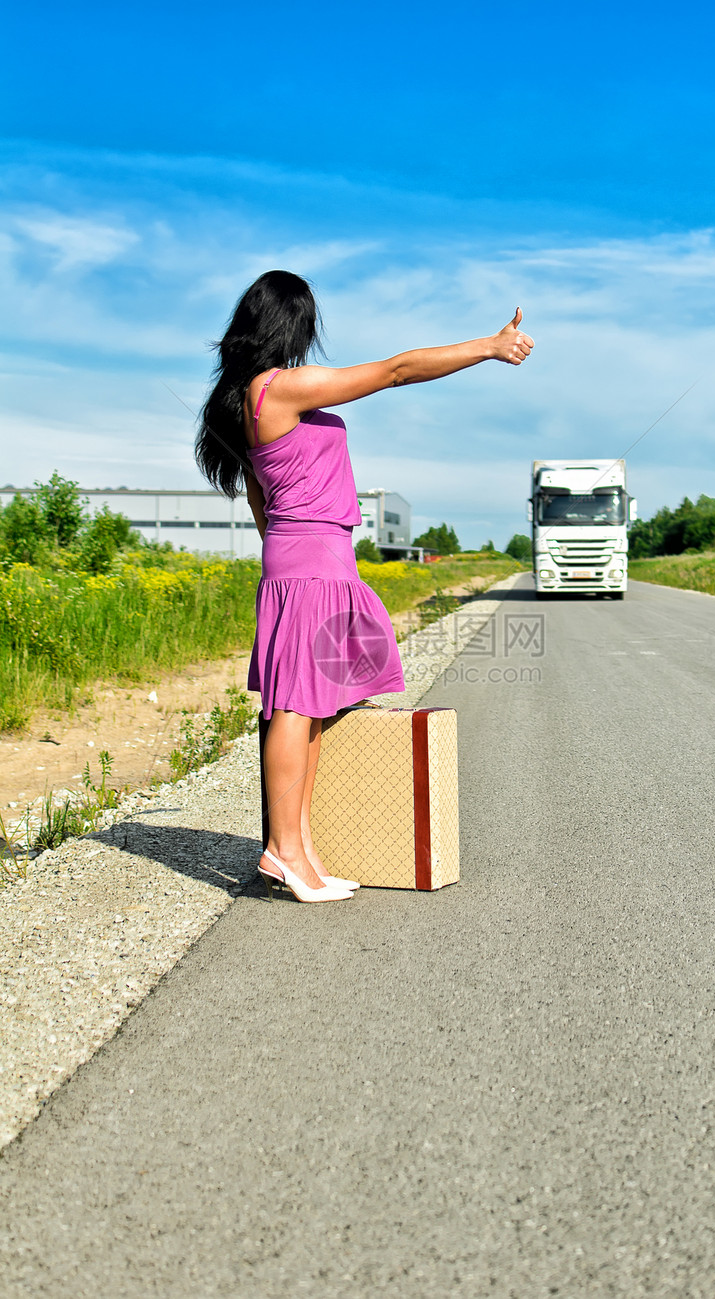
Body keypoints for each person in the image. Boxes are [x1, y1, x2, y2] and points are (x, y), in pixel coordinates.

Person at [196, 270, 534, 903]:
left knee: (313, 702)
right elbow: (397, 370)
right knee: (296, 705)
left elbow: (262, 503)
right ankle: (283, 850)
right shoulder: (281, 387)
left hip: (312, 556)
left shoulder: (251, 399)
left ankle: (302, 851)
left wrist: (303, 545)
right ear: (292, 324)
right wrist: (487, 347)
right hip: (311, 563)